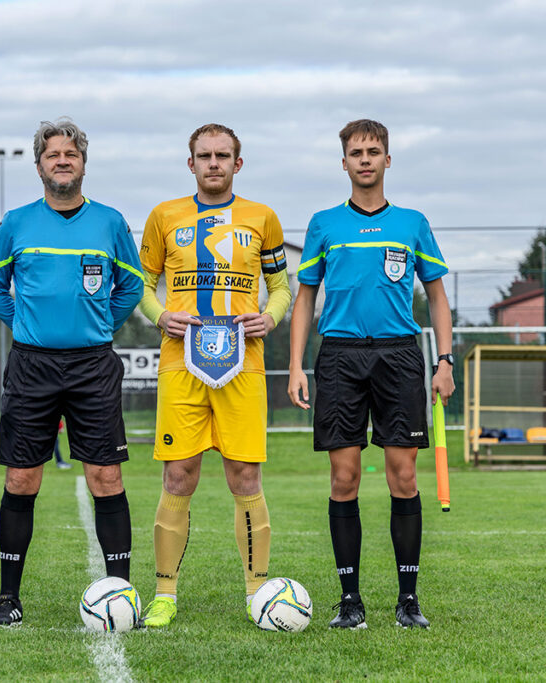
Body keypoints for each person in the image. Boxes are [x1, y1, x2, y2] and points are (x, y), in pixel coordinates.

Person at [288, 119, 454, 629]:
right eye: (356, 152)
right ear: (343, 163)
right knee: (345, 478)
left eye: (374, 151)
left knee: (403, 476)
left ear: (387, 159)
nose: (365, 159)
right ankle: (350, 601)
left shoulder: (412, 223)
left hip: (398, 356)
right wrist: (296, 365)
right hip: (339, 357)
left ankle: (408, 600)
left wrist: (445, 361)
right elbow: (305, 298)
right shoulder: (323, 224)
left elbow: (437, 297)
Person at [0, 117, 143, 626]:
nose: (62, 161)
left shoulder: (110, 222)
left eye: (71, 154)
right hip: (31, 365)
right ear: (39, 166)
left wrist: (99, 324)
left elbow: (131, 288)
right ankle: (8, 598)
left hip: (93, 365)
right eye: (53, 154)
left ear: (84, 163)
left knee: (106, 476)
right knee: (22, 477)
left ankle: (122, 595)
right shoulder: (16, 223)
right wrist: (27, 324)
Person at [136, 124, 291, 628]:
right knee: (178, 474)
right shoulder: (164, 216)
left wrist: (271, 317)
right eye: (204, 156)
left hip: (244, 363)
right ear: (191, 164)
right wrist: (161, 316)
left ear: (237, 164)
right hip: (180, 363)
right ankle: (164, 595)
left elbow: (281, 287)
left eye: (223, 155)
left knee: (245, 475)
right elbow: (142, 286)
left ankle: (257, 593)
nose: (214, 163)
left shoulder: (263, 218)